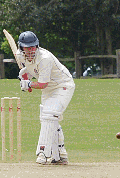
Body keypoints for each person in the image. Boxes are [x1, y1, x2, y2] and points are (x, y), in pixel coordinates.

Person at [16, 31, 75, 165]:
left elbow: (42, 84)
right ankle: (59, 155)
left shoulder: (45, 58)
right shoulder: (21, 57)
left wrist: (29, 83)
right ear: (21, 48)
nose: (30, 50)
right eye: (27, 47)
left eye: (33, 47)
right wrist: (26, 80)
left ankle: (42, 153)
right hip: (49, 89)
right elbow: (33, 77)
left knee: (49, 114)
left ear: (37, 46)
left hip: (62, 85)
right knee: (48, 118)